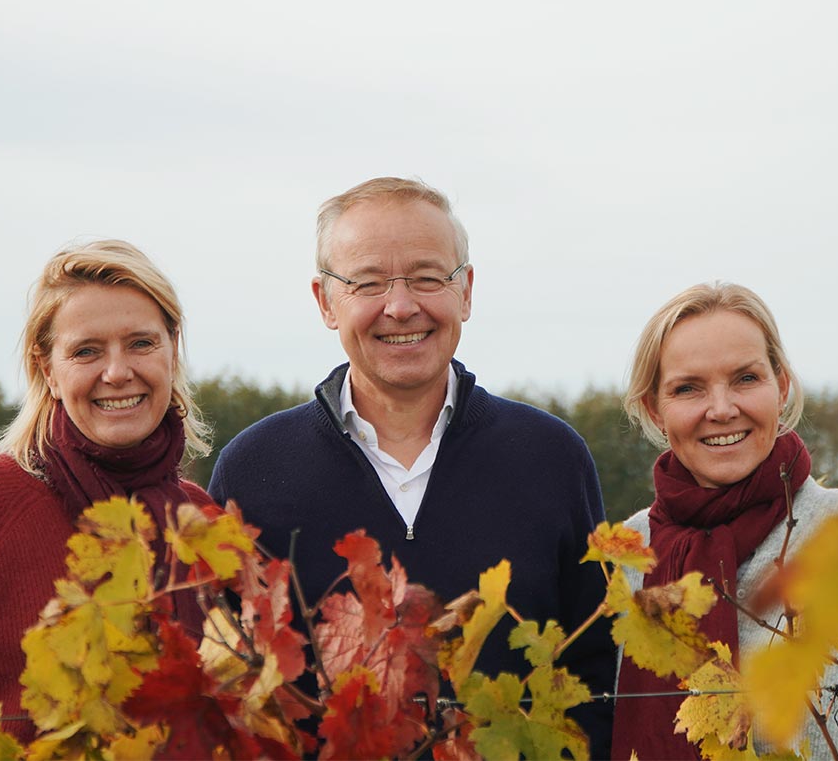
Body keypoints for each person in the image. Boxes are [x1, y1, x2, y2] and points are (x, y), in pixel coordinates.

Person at [208, 176, 616, 755]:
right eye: (367, 283)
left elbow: (596, 681)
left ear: (467, 291)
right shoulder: (252, 470)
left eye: (428, 278)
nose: (401, 307)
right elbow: (234, 695)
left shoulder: (552, 457)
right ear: (325, 301)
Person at [611, 281, 838, 760]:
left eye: (745, 379)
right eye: (688, 388)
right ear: (655, 408)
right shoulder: (631, 551)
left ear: (782, 387)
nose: (721, 409)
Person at [0, 239, 215, 738]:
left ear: (173, 349)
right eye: (86, 351)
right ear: (49, 371)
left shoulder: (202, 522)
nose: (117, 371)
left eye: (141, 343)